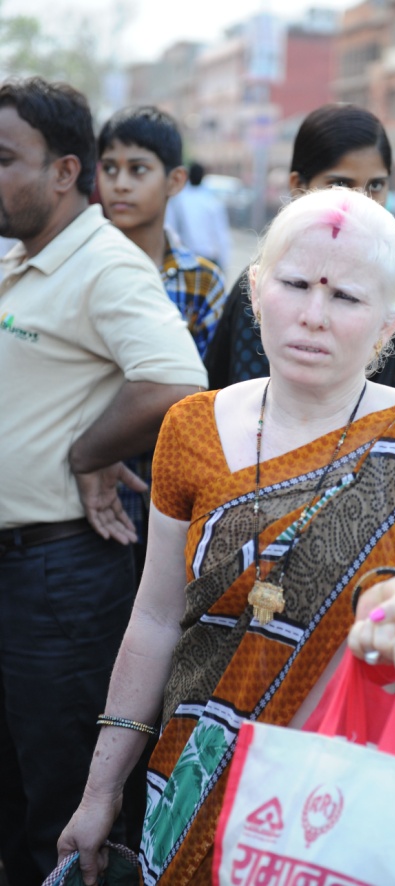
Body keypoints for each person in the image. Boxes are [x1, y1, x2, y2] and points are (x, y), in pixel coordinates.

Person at [58, 187, 395, 886]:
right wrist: (101, 790)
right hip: (193, 779)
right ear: (257, 290)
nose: (313, 316)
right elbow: (155, 618)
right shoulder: (190, 428)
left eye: (345, 298)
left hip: (338, 795)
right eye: (295, 285)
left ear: (390, 322)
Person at [0, 77, 207, 885]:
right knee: (14, 796)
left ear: (63, 171)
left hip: (58, 576)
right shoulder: (25, 259)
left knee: (63, 809)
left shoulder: (104, 264)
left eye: (4, 158)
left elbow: (175, 381)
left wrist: (90, 454)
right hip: (19, 569)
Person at [97, 106, 227, 572]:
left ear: (174, 180)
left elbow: (205, 399)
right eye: (109, 168)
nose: (120, 184)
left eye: (138, 170)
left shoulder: (200, 281)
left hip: (167, 493)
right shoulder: (81, 268)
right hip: (82, 494)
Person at [205, 102, 395, 389]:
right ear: (299, 186)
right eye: (341, 184)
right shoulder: (268, 287)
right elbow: (257, 403)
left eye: (377, 186)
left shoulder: (385, 281)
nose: (361, 202)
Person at [165, 161, 231, 273]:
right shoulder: (212, 201)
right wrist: (225, 264)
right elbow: (222, 235)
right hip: (209, 260)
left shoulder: (179, 200)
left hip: (186, 260)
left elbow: (171, 230)